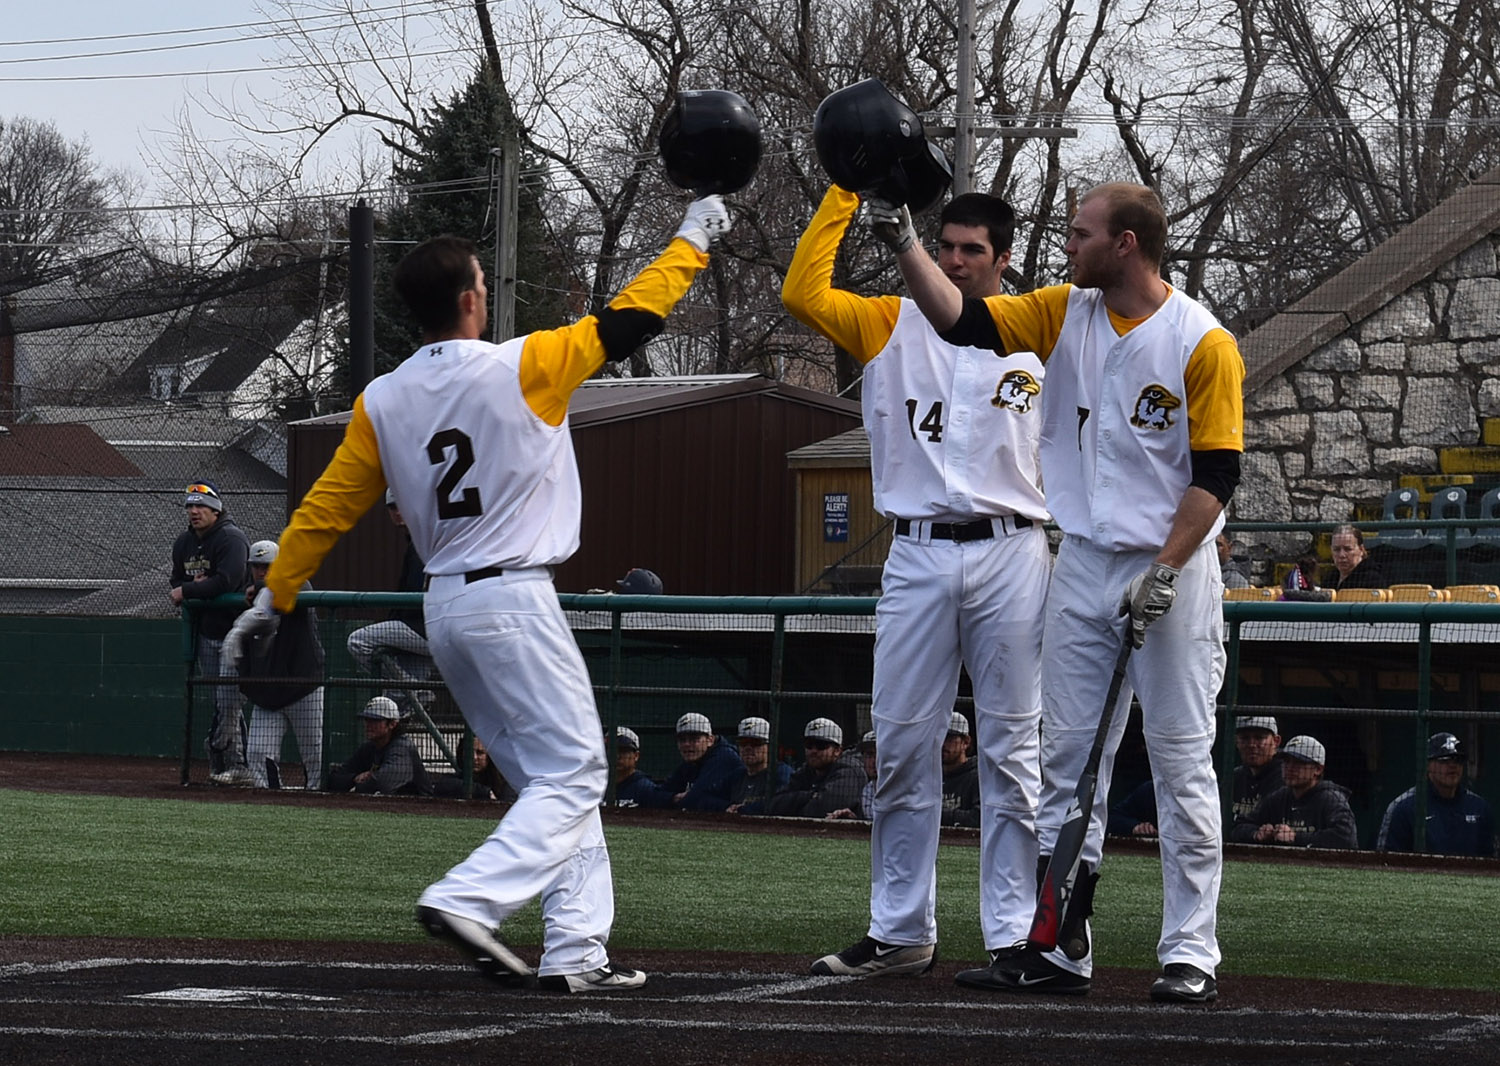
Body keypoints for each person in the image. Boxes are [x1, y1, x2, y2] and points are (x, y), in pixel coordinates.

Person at [222, 196, 732, 994]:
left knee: (552, 784)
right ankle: (469, 899)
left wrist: (277, 590)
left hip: (446, 604)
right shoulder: (520, 364)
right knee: (575, 777)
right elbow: (635, 315)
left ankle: (577, 953)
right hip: (514, 600)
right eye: (483, 286)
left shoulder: (382, 399)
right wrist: (695, 235)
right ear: (468, 299)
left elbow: (326, 509)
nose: (488, 295)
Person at [880, 181, 1245, 1002]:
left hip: (1171, 570)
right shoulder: (1062, 311)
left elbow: (1218, 472)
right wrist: (905, 241)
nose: (1066, 244)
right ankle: (1058, 944)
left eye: (1080, 233)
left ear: (1125, 244)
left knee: (1182, 762)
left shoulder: (1202, 340)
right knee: (1071, 762)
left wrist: (1166, 568)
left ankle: (1190, 951)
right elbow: (962, 319)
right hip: (1081, 559)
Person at [784, 184, 1049, 982]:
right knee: (898, 744)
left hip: (1013, 550)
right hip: (918, 550)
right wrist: (845, 190)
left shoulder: (1041, 331)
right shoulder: (890, 320)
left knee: (1010, 752)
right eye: (948, 246)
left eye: (974, 250)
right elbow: (800, 291)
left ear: (1004, 259)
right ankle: (901, 931)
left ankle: (1013, 935)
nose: (957, 259)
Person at [169, 480, 252, 785]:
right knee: (222, 700)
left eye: (200, 506)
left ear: (215, 510)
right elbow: (175, 581)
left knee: (229, 698)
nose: (194, 511)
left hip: (236, 631)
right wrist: (198, 586)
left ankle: (225, 755)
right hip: (207, 631)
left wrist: (193, 588)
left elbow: (226, 582)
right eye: (190, 506)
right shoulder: (184, 543)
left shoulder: (231, 538)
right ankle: (231, 766)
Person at [237, 540, 325, 790]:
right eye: (257, 567)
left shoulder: (295, 585)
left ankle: (319, 802)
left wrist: (262, 586)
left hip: (303, 687)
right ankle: (269, 804)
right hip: (268, 693)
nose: (262, 572)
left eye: (268, 566)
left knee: (314, 754)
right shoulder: (249, 599)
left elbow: (301, 585)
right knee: (256, 752)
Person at [346, 490, 436, 720]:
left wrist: (392, 622)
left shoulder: (425, 539)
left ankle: (414, 691)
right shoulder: (418, 539)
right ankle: (412, 693)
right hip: (425, 632)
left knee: (358, 641)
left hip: (426, 628)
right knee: (398, 711)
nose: (397, 511)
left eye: (401, 505)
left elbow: (416, 596)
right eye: (392, 507)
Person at [1376, 733, 1496, 857]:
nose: (1453, 765)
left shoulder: (1479, 808)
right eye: (1444, 760)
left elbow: (1490, 862)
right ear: (1428, 765)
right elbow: (1386, 862)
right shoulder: (1403, 808)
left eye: (1458, 760)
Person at [1229, 735, 1358, 849]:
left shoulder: (1331, 799)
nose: (1289, 768)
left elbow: (1346, 838)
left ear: (1318, 769)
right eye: (1286, 762)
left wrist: (1296, 837)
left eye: (1298, 763)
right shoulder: (1280, 797)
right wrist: (1256, 833)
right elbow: (1239, 826)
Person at [634, 713, 746, 812]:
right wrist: (674, 797)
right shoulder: (693, 761)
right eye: (682, 740)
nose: (687, 744)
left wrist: (682, 799)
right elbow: (654, 796)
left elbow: (695, 800)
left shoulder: (723, 757)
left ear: (710, 740)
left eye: (694, 739)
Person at [325, 696, 433, 796]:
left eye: (375, 720)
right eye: (367, 719)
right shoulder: (368, 748)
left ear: (392, 724)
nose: (368, 724)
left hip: (416, 810)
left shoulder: (401, 748)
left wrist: (365, 781)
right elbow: (334, 779)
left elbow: (383, 783)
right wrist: (354, 779)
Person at [765, 719, 868, 820]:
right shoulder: (807, 770)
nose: (813, 751)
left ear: (837, 750)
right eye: (809, 745)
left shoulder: (849, 769)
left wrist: (795, 807)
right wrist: (810, 795)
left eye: (821, 745)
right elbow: (774, 805)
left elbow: (818, 811)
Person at [728, 716, 791, 815]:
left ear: (770, 746)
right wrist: (726, 806)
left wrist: (744, 809)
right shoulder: (737, 774)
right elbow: (707, 796)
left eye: (755, 743)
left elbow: (780, 803)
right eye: (743, 743)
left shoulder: (781, 773)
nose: (748, 748)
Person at [1230, 716, 1283, 822]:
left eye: (1259, 738)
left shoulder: (1286, 778)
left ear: (1276, 741)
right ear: (1236, 742)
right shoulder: (1233, 777)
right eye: (1245, 738)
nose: (1252, 744)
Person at [434, 736, 519, 801]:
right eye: (469, 751)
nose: (474, 757)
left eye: (480, 753)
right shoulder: (455, 780)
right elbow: (442, 785)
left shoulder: (504, 784)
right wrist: (484, 792)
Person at [827, 730, 880, 821]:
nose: (874, 761)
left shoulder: (902, 788)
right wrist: (855, 819)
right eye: (869, 754)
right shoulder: (868, 790)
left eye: (880, 754)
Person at [940, 712, 980, 828]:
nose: (942, 743)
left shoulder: (976, 776)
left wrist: (936, 815)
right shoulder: (928, 775)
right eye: (939, 736)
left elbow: (978, 817)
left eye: (949, 738)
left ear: (966, 742)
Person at [611, 727, 658, 808]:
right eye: (611, 750)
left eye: (623, 751)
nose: (617, 756)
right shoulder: (597, 786)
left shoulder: (646, 789)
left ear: (636, 756)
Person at [1330, 525, 1384, 590]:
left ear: (1361, 549)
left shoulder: (1373, 580)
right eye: (1336, 549)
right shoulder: (1330, 579)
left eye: (1348, 549)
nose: (1342, 555)